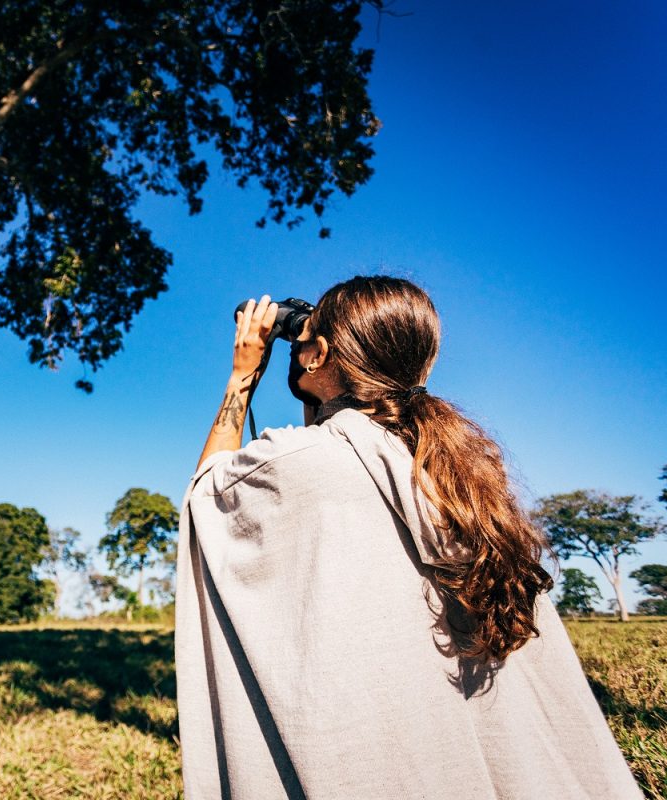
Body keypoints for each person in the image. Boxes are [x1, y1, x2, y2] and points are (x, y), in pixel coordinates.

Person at [176, 278, 641, 799]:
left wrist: (244, 375)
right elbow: (343, 432)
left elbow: (208, 492)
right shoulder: (457, 469)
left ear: (319, 353)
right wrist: (312, 372)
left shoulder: (301, 465)